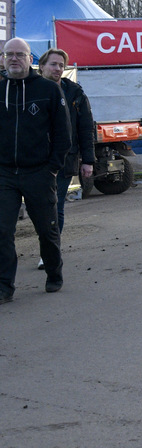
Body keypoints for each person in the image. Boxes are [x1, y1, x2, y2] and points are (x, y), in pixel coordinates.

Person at [0, 37, 72, 304]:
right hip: (5, 174)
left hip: (38, 172)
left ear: (31, 59)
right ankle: (4, 285)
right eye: (9, 54)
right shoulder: (0, 89)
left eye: (20, 54)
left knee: (47, 228)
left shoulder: (48, 90)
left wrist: (52, 168)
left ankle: (54, 273)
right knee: (2, 231)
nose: (14, 58)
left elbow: (63, 134)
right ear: (3, 59)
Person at [37, 48, 95, 269]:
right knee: (37, 208)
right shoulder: (29, 89)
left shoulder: (74, 93)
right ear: (41, 66)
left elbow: (85, 127)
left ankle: (49, 252)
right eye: (53, 64)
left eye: (61, 65)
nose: (58, 69)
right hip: (32, 161)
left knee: (55, 206)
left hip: (62, 160)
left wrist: (88, 160)